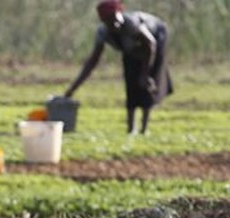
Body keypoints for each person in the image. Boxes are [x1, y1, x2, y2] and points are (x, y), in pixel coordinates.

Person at [64, 0, 173, 134]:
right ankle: (131, 128)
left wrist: (145, 74)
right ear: (104, 22)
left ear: (120, 14)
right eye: (110, 22)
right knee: (130, 78)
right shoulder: (103, 33)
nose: (115, 24)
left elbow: (150, 45)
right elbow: (92, 62)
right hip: (131, 47)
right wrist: (72, 89)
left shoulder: (132, 24)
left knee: (146, 82)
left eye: (116, 19)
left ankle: (144, 129)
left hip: (155, 38)